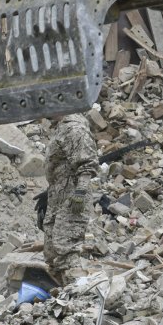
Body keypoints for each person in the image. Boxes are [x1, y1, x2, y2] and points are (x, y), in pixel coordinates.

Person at [41, 114, 98, 283]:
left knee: (65, 244)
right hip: (58, 194)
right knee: (52, 246)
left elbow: (87, 164)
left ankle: (76, 288)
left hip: (72, 197)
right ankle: (60, 291)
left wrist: (80, 192)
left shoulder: (75, 128)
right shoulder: (62, 127)